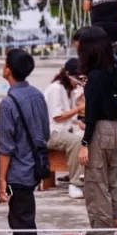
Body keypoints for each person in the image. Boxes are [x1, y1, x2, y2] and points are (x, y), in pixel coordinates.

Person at [0, 50, 50, 235]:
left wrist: (1, 179)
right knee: (20, 221)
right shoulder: (37, 95)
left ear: (8, 70)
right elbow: (45, 132)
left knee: (22, 224)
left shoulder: (8, 103)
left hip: (17, 171)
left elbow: (5, 146)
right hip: (34, 168)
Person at [79, 29, 117, 235]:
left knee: (95, 184)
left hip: (99, 129)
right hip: (114, 127)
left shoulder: (95, 76)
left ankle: (104, 234)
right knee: (111, 183)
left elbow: (91, 114)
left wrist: (84, 143)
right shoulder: (115, 68)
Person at [44, 58, 86, 200]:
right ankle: (75, 183)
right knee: (76, 142)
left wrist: (80, 124)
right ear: (68, 74)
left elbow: (69, 117)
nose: (78, 83)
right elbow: (58, 117)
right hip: (51, 132)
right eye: (77, 79)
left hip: (64, 129)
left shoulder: (69, 90)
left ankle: (87, 178)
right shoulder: (56, 89)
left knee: (89, 137)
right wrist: (79, 108)